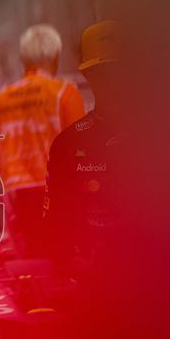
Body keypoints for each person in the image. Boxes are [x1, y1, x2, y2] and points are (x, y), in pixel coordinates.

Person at [0, 23, 85, 256]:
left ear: (24, 60)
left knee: (33, 260)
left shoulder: (1, 99)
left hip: (18, 194)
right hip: (58, 191)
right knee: (63, 260)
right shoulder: (64, 92)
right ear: (54, 57)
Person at [43, 20, 125, 282]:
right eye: (103, 74)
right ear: (89, 78)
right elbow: (56, 228)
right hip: (97, 287)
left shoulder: (167, 137)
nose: (112, 83)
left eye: (118, 73)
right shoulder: (68, 145)